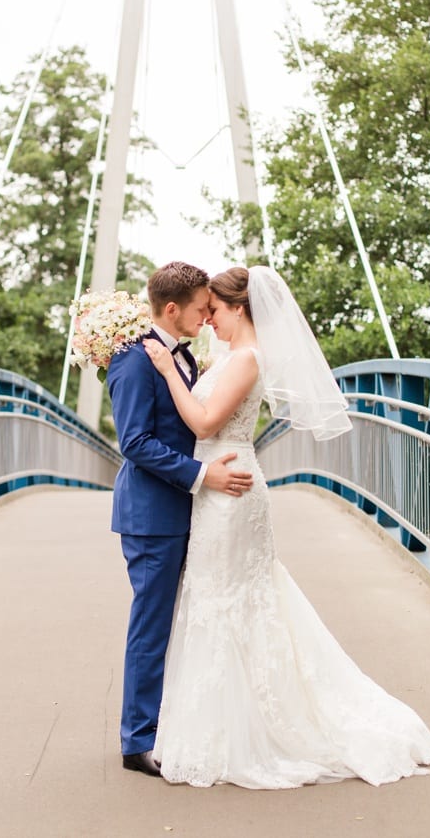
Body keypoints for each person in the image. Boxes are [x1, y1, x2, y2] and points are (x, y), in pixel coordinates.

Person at [139, 264, 430, 789]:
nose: (208, 321)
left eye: (214, 311)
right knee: (222, 599)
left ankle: (246, 732)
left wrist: (167, 368)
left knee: (232, 599)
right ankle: (220, 724)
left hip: (232, 489)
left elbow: (203, 423)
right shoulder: (227, 355)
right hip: (216, 485)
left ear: (238, 308)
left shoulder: (246, 359)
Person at [107, 260, 255, 778]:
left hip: (187, 510)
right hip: (152, 515)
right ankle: (136, 741)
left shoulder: (183, 355)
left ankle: (167, 727)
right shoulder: (132, 359)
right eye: (200, 309)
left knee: (178, 622)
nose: (206, 316)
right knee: (151, 626)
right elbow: (134, 442)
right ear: (172, 309)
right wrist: (200, 476)